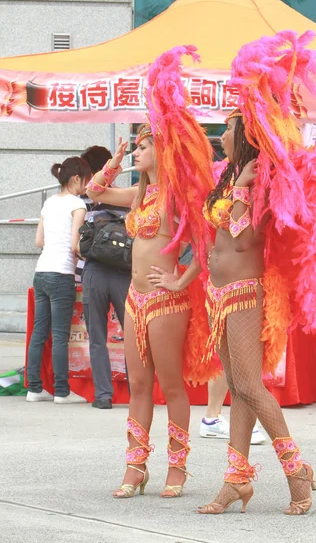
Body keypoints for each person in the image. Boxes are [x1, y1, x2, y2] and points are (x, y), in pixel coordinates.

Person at [191, 31, 316, 516]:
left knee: (250, 385)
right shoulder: (229, 174)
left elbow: (245, 239)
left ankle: (296, 468)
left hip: (245, 292)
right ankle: (237, 479)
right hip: (216, 293)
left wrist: (243, 188)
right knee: (238, 385)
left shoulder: (263, 177)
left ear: (244, 135)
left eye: (226, 128)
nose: (220, 134)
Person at [87, 45, 218, 499]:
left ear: (163, 150)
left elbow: (206, 244)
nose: (139, 150)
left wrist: (181, 280)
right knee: (137, 384)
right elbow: (94, 190)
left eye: (144, 145)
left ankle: (177, 469)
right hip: (133, 299)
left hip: (167, 301)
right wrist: (115, 158)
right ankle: (135, 468)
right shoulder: (138, 196)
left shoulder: (178, 195)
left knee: (169, 385)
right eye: (138, 144)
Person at [26, 157, 91, 404]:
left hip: (41, 272)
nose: (87, 185)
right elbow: (76, 245)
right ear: (76, 178)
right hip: (62, 273)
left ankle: (34, 389)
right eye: (85, 180)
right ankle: (62, 391)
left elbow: (39, 242)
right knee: (60, 335)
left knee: (39, 334)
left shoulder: (49, 203)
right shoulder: (78, 205)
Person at [79, 145, 131, 410]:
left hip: (96, 270)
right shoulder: (127, 196)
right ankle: (138, 393)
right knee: (133, 337)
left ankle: (102, 396)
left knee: (97, 337)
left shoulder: (87, 198)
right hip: (125, 271)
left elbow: (80, 242)